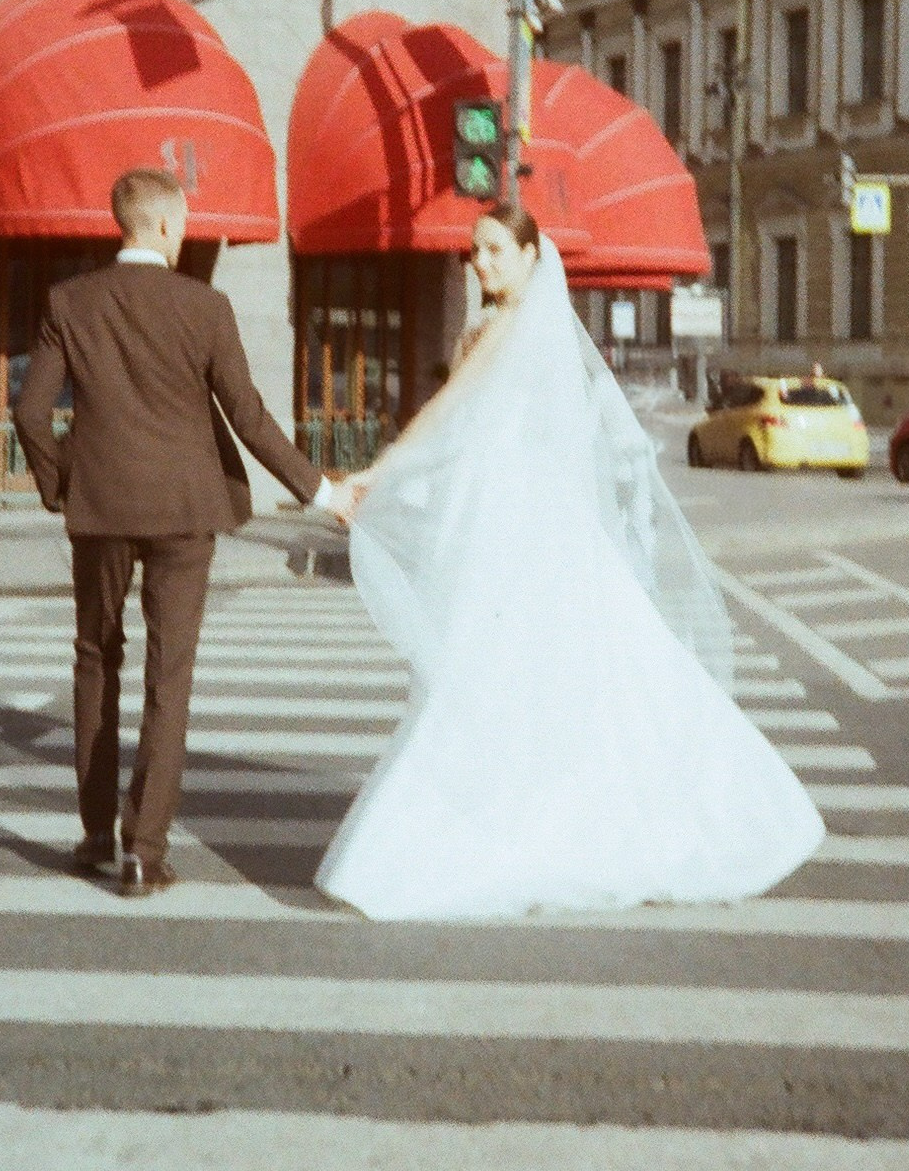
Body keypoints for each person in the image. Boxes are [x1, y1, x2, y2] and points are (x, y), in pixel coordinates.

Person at [318, 206, 825, 920]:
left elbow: (450, 410)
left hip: (512, 517)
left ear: (532, 256)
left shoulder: (509, 327)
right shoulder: (512, 329)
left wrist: (380, 470)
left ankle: (513, 823)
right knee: (539, 667)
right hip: (512, 511)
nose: (479, 263)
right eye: (473, 252)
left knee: (490, 667)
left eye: (494, 250)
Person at [12, 167, 354, 899]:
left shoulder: (70, 301)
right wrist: (322, 491)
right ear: (166, 225)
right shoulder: (205, 307)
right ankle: (144, 851)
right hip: (185, 510)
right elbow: (248, 416)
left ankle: (95, 833)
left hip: (100, 509)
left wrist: (58, 483)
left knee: (95, 657)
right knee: (170, 674)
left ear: (123, 222)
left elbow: (30, 411)